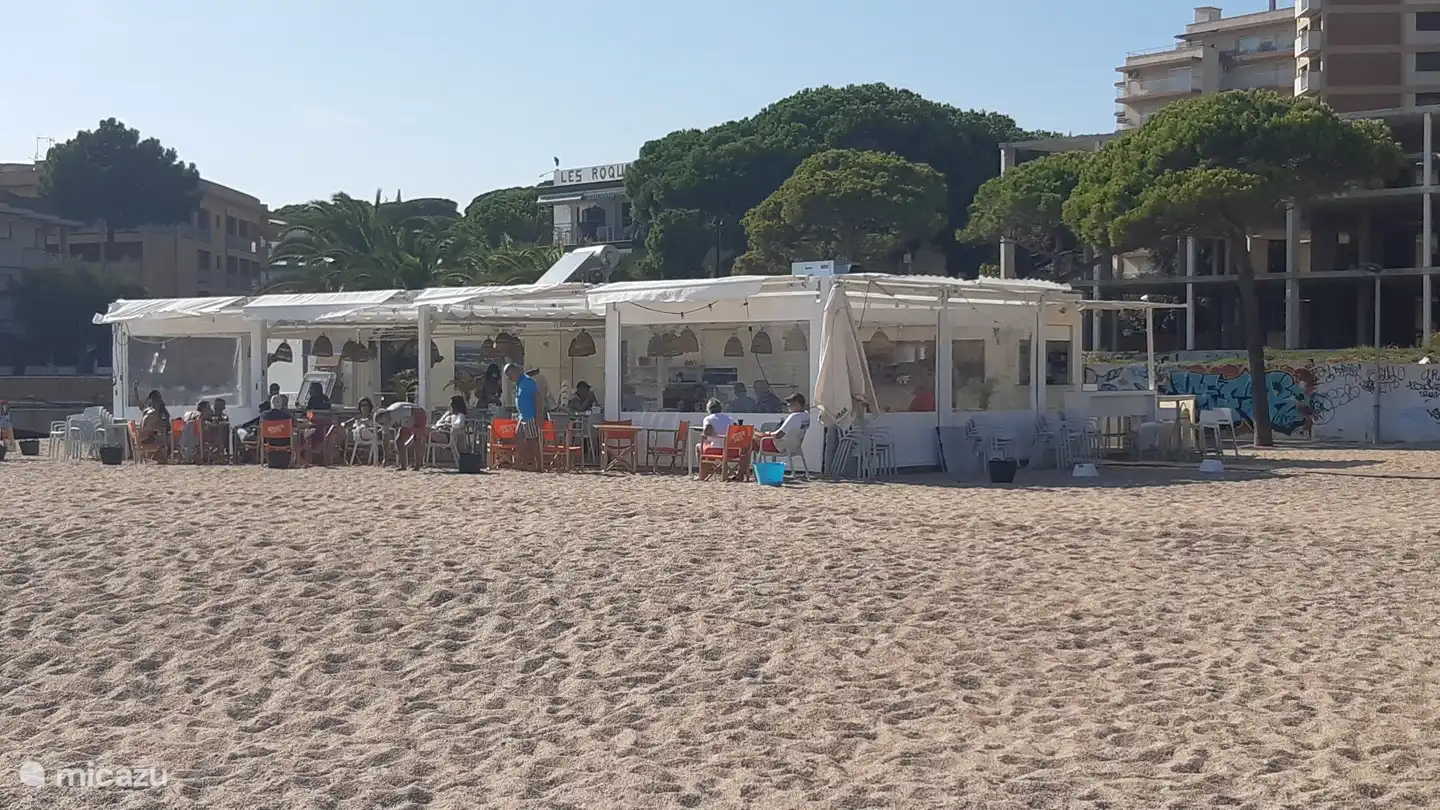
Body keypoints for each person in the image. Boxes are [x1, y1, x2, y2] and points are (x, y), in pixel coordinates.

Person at [507, 363, 543, 471]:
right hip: (521, 416)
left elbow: (537, 397)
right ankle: (524, 462)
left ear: (515, 371)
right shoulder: (520, 383)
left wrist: (539, 414)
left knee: (532, 440)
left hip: (530, 416)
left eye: (510, 375)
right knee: (519, 439)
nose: (509, 378)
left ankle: (539, 465)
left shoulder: (528, 382)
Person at [374, 399, 428, 471]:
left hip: (418, 413)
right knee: (399, 441)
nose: (382, 425)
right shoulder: (384, 423)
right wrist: (385, 458)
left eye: (382, 423)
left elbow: (414, 413)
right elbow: (385, 439)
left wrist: (414, 434)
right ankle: (403, 466)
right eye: (380, 424)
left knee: (417, 439)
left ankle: (417, 465)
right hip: (406, 421)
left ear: (386, 415)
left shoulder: (397, 411)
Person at [695, 398, 734, 481]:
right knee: (707, 445)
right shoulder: (729, 419)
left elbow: (707, 431)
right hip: (730, 449)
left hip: (716, 449)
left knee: (699, 446)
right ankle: (725, 470)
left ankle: (703, 473)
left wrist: (705, 434)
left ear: (708, 409)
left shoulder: (708, 419)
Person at [431, 395, 471, 465]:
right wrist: (442, 424)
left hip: (447, 435)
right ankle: (419, 460)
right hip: (439, 431)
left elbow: (458, 425)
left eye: (451, 405)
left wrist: (446, 424)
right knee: (421, 435)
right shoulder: (447, 414)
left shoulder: (460, 416)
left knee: (422, 431)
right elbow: (438, 423)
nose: (449, 406)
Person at [303, 381, 336, 464]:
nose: (310, 391)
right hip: (326, 426)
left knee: (307, 433)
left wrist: (305, 416)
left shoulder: (312, 399)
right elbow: (329, 411)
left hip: (315, 425)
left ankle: (311, 454)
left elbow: (308, 412)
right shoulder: (326, 399)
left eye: (311, 389)